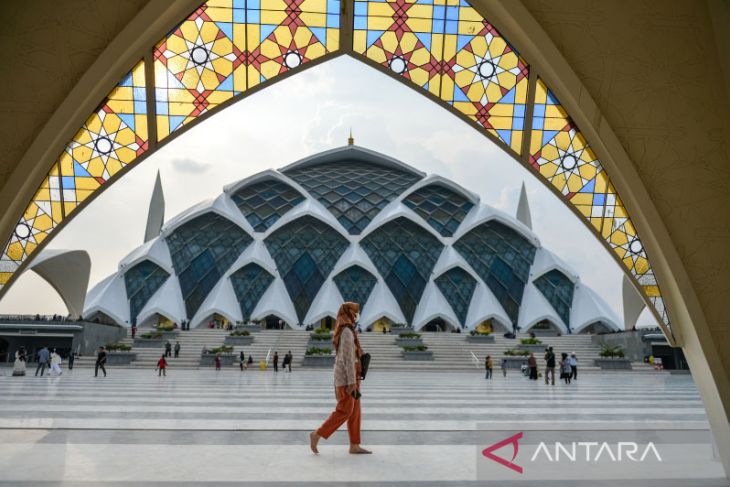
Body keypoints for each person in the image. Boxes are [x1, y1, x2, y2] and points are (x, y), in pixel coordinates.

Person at [310, 302, 371, 455]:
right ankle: (317, 434)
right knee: (345, 410)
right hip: (346, 379)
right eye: (354, 311)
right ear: (347, 311)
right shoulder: (346, 332)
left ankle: (354, 445)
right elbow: (347, 359)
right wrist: (351, 382)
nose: (356, 315)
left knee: (355, 412)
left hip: (354, 376)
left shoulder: (350, 330)